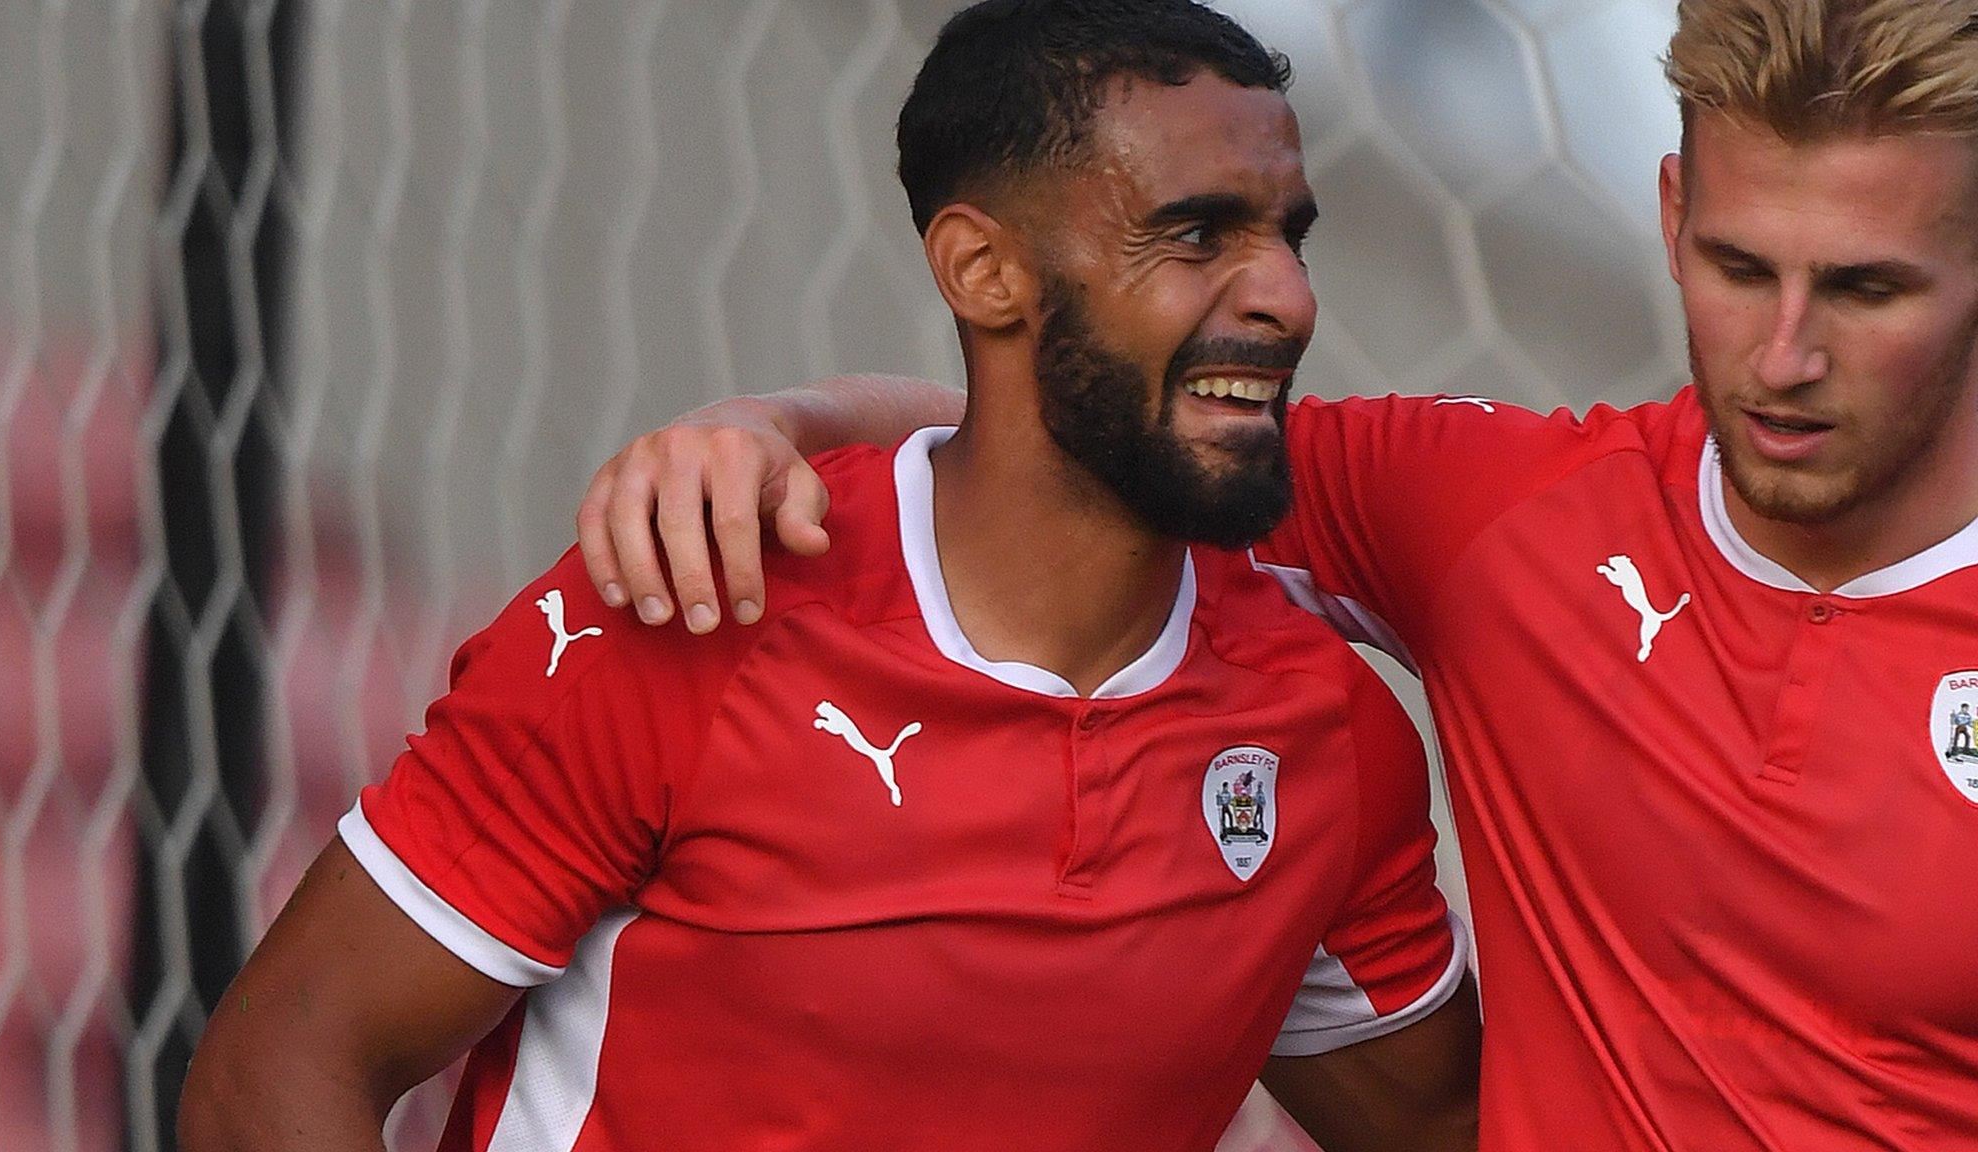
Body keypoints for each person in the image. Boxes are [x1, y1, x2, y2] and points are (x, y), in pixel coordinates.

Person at [575, 0, 1978, 1148]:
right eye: (1739, 267)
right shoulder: (1512, 516)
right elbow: (1094, 425)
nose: (1782, 356)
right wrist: (770, 427)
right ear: (1671, 215)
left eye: (1865, 289)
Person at [177, 3, 1480, 1151]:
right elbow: (277, 1071)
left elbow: (1450, 1131)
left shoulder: (1327, 741)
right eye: (1197, 235)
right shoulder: (691, 601)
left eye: (1286, 235)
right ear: (985, 270)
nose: (1288, 297)